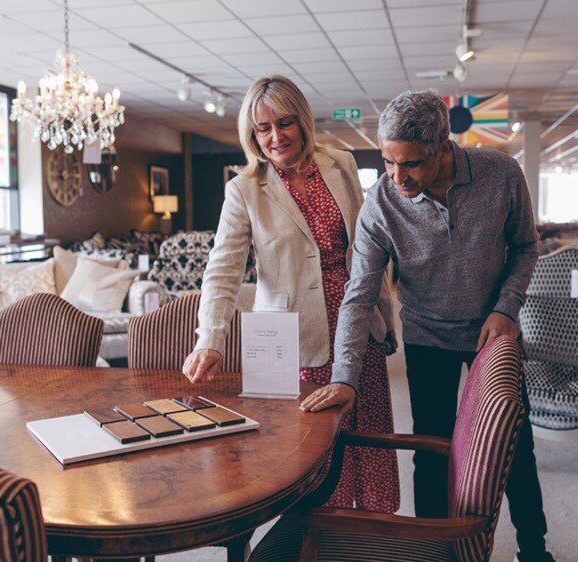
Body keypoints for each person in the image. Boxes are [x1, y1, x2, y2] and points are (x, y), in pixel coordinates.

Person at [300, 90, 554, 561]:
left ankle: (534, 549)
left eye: (412, 164)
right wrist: (344, 376)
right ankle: (436, 555)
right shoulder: (381, 204)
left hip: (492, 336)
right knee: (432, 450)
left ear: (443, 147)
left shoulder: (500, 174)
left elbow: (524, 247)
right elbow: (358, 294)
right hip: (426, 335)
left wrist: (507, 308)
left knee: (515, 448)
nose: (398, 178)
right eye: (388, 163)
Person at [182, 75, 400, 513]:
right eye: (263, 129)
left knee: (369, 430)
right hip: (296, 339)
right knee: (314, 446)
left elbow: (368, 247)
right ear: (252, 134)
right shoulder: (243, 189)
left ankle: (375, 532)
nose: (275, 136)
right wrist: (211, 338)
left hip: (356, 325)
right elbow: (222, 271)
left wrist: (385, 314)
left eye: (284, 123)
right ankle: (319, 537)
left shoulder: (339, 164)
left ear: (301, 121)